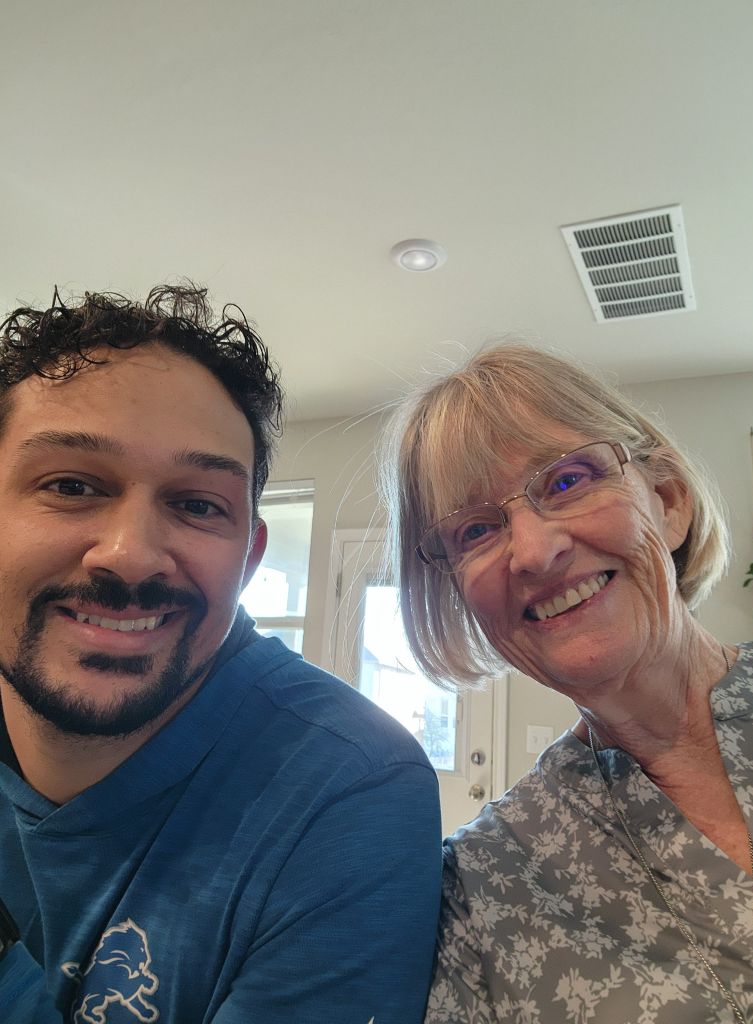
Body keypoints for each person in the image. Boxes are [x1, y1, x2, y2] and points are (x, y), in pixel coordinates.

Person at [0, 284, 441, 1024]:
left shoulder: (348, 783)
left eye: (198, 504)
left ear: (248, 559)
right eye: (71, 485)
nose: (131, 555)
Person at [380, 343, 753, 1024]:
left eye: (567, 481)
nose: (535, 552)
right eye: (475, 529)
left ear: (669, 502)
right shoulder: (484, 885)